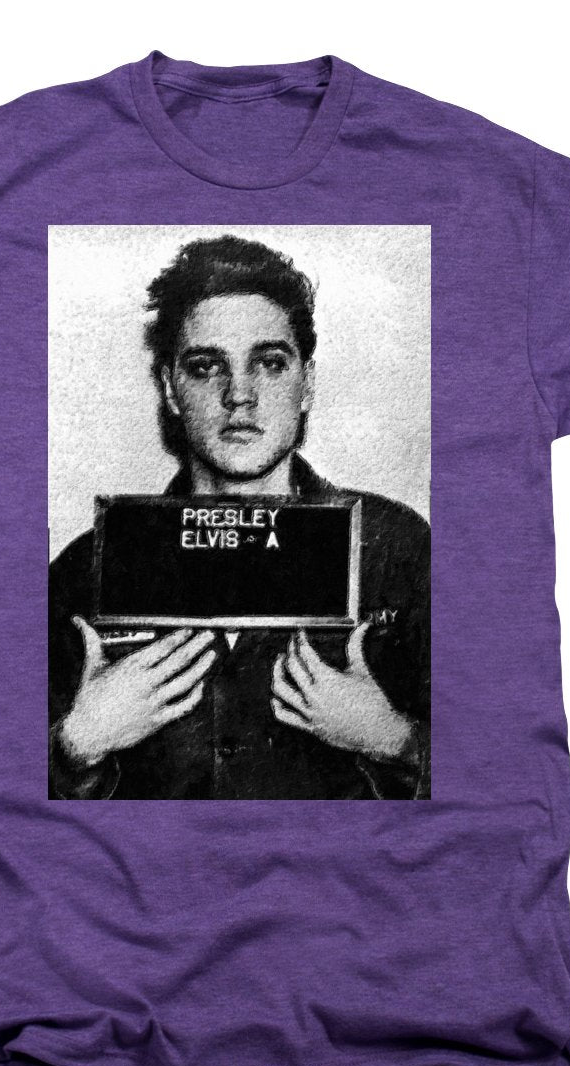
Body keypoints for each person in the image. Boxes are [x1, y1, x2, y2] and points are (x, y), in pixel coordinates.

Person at [48, 235, 430, 800]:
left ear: (307, 384)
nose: (239, 395)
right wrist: (75, 746)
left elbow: (501, 766)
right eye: (206, 367)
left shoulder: (396, 549)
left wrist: (395, 740)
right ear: (170, 390)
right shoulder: (86, 570)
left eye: (270, 364)